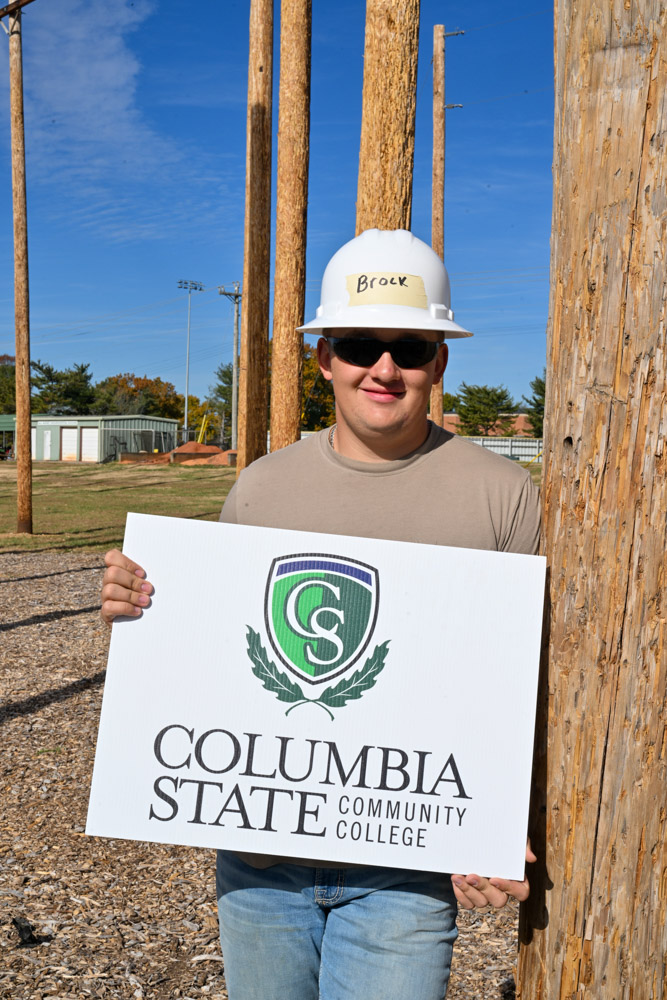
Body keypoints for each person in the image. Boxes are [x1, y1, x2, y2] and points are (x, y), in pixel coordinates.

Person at [101, 228, 540, 999]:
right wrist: (142, 611)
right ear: (323, 357)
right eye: (360, 342)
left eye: (408, 348)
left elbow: (526, 680)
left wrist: (502, 822)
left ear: (438, 361)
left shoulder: (503, 496)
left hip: (408, 869)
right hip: (258, 866)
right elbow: (214, 657)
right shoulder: (261, 490)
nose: (383, 367)